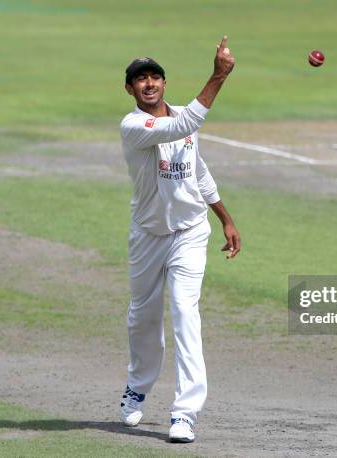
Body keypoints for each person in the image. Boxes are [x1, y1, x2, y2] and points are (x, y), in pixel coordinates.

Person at [118, 36, 240, 443]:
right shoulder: (135, 126)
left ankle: (185, 413)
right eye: (141, 80)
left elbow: (198, 170)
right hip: (148, 236)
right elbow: (184, 124)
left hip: (189, 232)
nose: (149, 84)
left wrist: (224, 217)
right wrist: (219, 76)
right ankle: (138, 386)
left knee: (186, 314)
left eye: (155, 77)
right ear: (130, 89)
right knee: (143, 316)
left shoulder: (185, 119)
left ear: (164, 84)